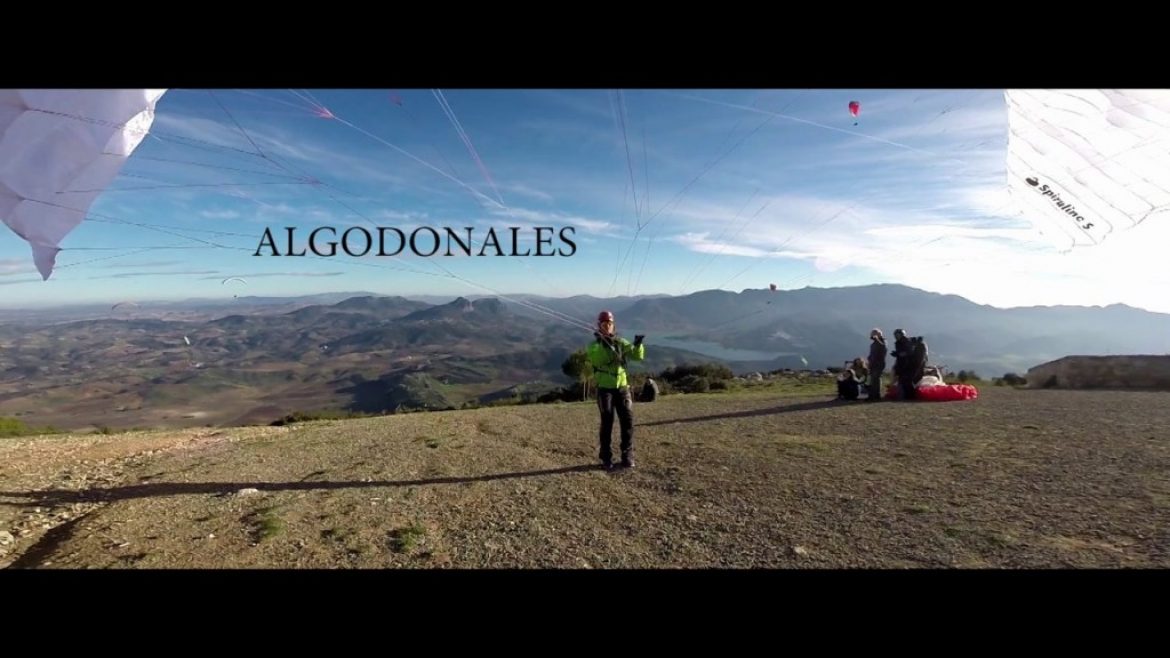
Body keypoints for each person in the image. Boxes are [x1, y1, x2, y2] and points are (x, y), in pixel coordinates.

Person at [586, 310, 645, 470]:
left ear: (613, 325)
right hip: (605, 389)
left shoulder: (620, 342)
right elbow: (599, 359)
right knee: (607, 421)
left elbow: (636, 356)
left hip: (622, 387)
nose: (608, 326)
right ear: (599, 326)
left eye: (610, 324)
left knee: (627, 421)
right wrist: (607, 344)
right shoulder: (594, 346)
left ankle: (627, 455)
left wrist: (638, 345)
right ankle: (606, 457)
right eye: (604, 324)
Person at [866, 328, 887, 402]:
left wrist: (877, 339)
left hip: (879, 363)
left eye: (874, 333)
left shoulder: (883, 341)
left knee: (876, 379)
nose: (872, 335)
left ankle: (876, 395)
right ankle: (872, 395)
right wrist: (869, 359)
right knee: (872, 379)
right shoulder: (873, 344)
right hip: (873, 363)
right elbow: (872, 354)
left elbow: (883, 348)